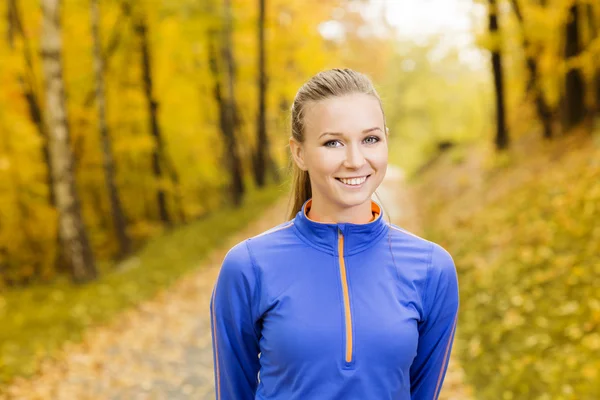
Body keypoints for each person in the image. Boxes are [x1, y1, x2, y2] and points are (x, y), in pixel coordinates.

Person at [209, 68, 459, 400]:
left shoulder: (432, 268)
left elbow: (422, 393)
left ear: (386, 140)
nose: (355, 160)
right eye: (333, 143)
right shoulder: (248, 266)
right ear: (299, 153)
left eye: (370, 139)